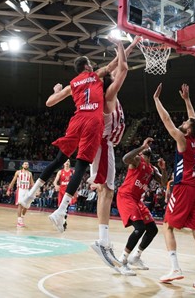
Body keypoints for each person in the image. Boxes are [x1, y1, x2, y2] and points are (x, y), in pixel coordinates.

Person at [19, 39, 126, 236]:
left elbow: (50, 103)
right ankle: (61, 210)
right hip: (92, 122)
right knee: (81, 166)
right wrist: (123, 45)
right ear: (87, 66)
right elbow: (116, 64)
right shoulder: (95, 75)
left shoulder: (73, 83)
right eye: (90, 64)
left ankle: (29, 196)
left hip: (76, 121)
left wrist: (56, 91)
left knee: (59, 159)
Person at [87, 36, 139, 269]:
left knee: (106, 192)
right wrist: (119, 43)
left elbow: (120, 62)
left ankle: (104, 241)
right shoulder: (108, 96)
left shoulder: (106, 91)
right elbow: (124, 66)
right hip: (102, 145)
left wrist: (132, 44)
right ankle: (102, 241)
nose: (116, 72)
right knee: (106, 192)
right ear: (110, 80)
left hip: (104, 146)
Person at [153, 83, 195, 289]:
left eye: (185, 122)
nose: (184, 122)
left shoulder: (182, 139)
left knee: (167, 226)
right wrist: (187, 100)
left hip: (184, 187)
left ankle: (175, 268)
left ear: (187, 130)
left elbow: (166, 120)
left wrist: (157, 100)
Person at [116, 137, 168, 276]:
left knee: (152, 229)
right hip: (126, 196)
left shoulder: (152, 169)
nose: (141, 154)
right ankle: (122, 260)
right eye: (142, 152)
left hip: (137, 200)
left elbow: (163, 182)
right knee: (139, 228)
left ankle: (136, 257)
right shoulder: (137, 161)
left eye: (144, 152)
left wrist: (163, 169)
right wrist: (141, 147)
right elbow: (125, 158)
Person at [6, 161, 34, 227]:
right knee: (20, 204)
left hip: (27, 190)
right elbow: (13, 181)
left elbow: (32, 183)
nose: (26, 165)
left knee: (26, 206)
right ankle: (19, 221)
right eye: (25, 164)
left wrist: (36, 190)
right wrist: (9, 190)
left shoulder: (30, 173)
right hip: (20, 190)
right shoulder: (18, 172)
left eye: (27, 164)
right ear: (22, 165)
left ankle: (22, 218)